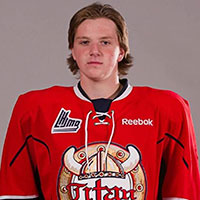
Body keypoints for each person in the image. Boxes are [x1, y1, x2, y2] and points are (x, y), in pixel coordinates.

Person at [0, 2, 199, 200]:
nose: (94, 51)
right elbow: (16, 194)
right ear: (73, 50)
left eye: (105, 42)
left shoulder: (167, 109)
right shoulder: (34, 109)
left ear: (121, 51)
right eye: (84, 42)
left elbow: (183, 194)